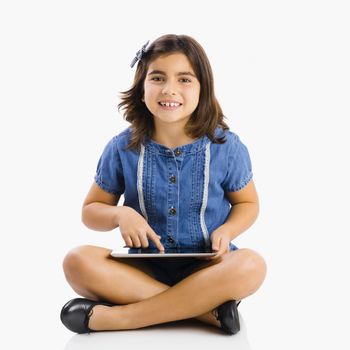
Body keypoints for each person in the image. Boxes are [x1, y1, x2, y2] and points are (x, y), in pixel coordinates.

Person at [60, 34, 267, 335]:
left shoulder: (227, 146)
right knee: (76, 261)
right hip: (142, 270)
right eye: (158, 78)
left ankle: (120, 319)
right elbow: (91, 211)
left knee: (252, 265)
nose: (169, 89)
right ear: (142, 87)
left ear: (203, 89)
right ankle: (207, 313)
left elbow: (247, 203)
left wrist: (227, 230)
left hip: (208, 269)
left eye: (185, 79)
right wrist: (121, 215)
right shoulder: (122, 148)